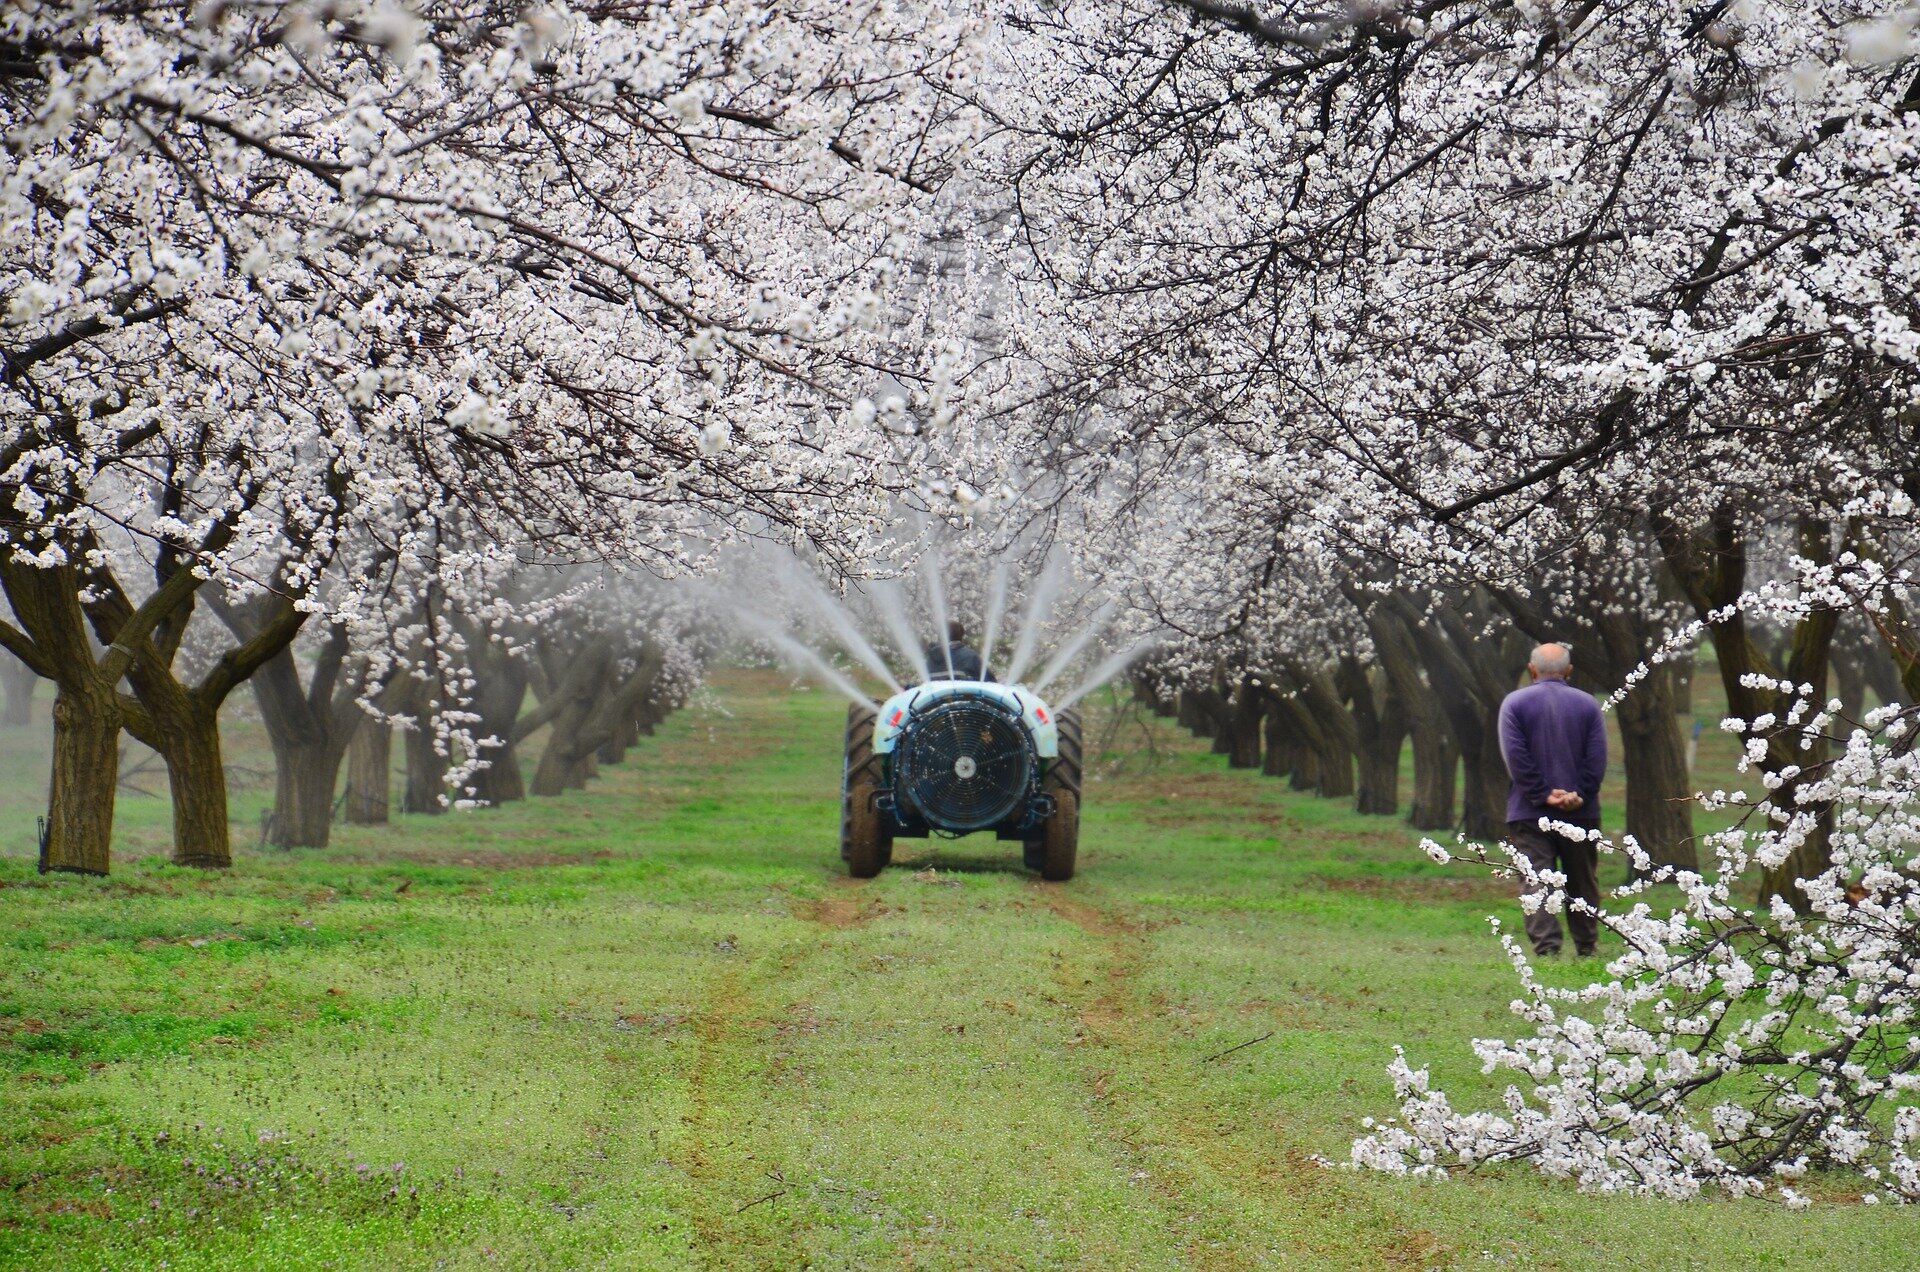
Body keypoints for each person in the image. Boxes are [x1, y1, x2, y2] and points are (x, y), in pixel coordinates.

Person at [1497, 642, 1607, 957]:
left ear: (1532, 669)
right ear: (1569, 671)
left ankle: (1547, 949)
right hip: (1581, 811)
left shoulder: (1514, 704)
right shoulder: (1588, 705)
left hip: (1528, 811)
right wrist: (1580, 793)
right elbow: (1597, 757)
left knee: (1536, 880)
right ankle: (1586, 946)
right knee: (1583, 880)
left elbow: (1515, 757)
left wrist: (1542, 794)